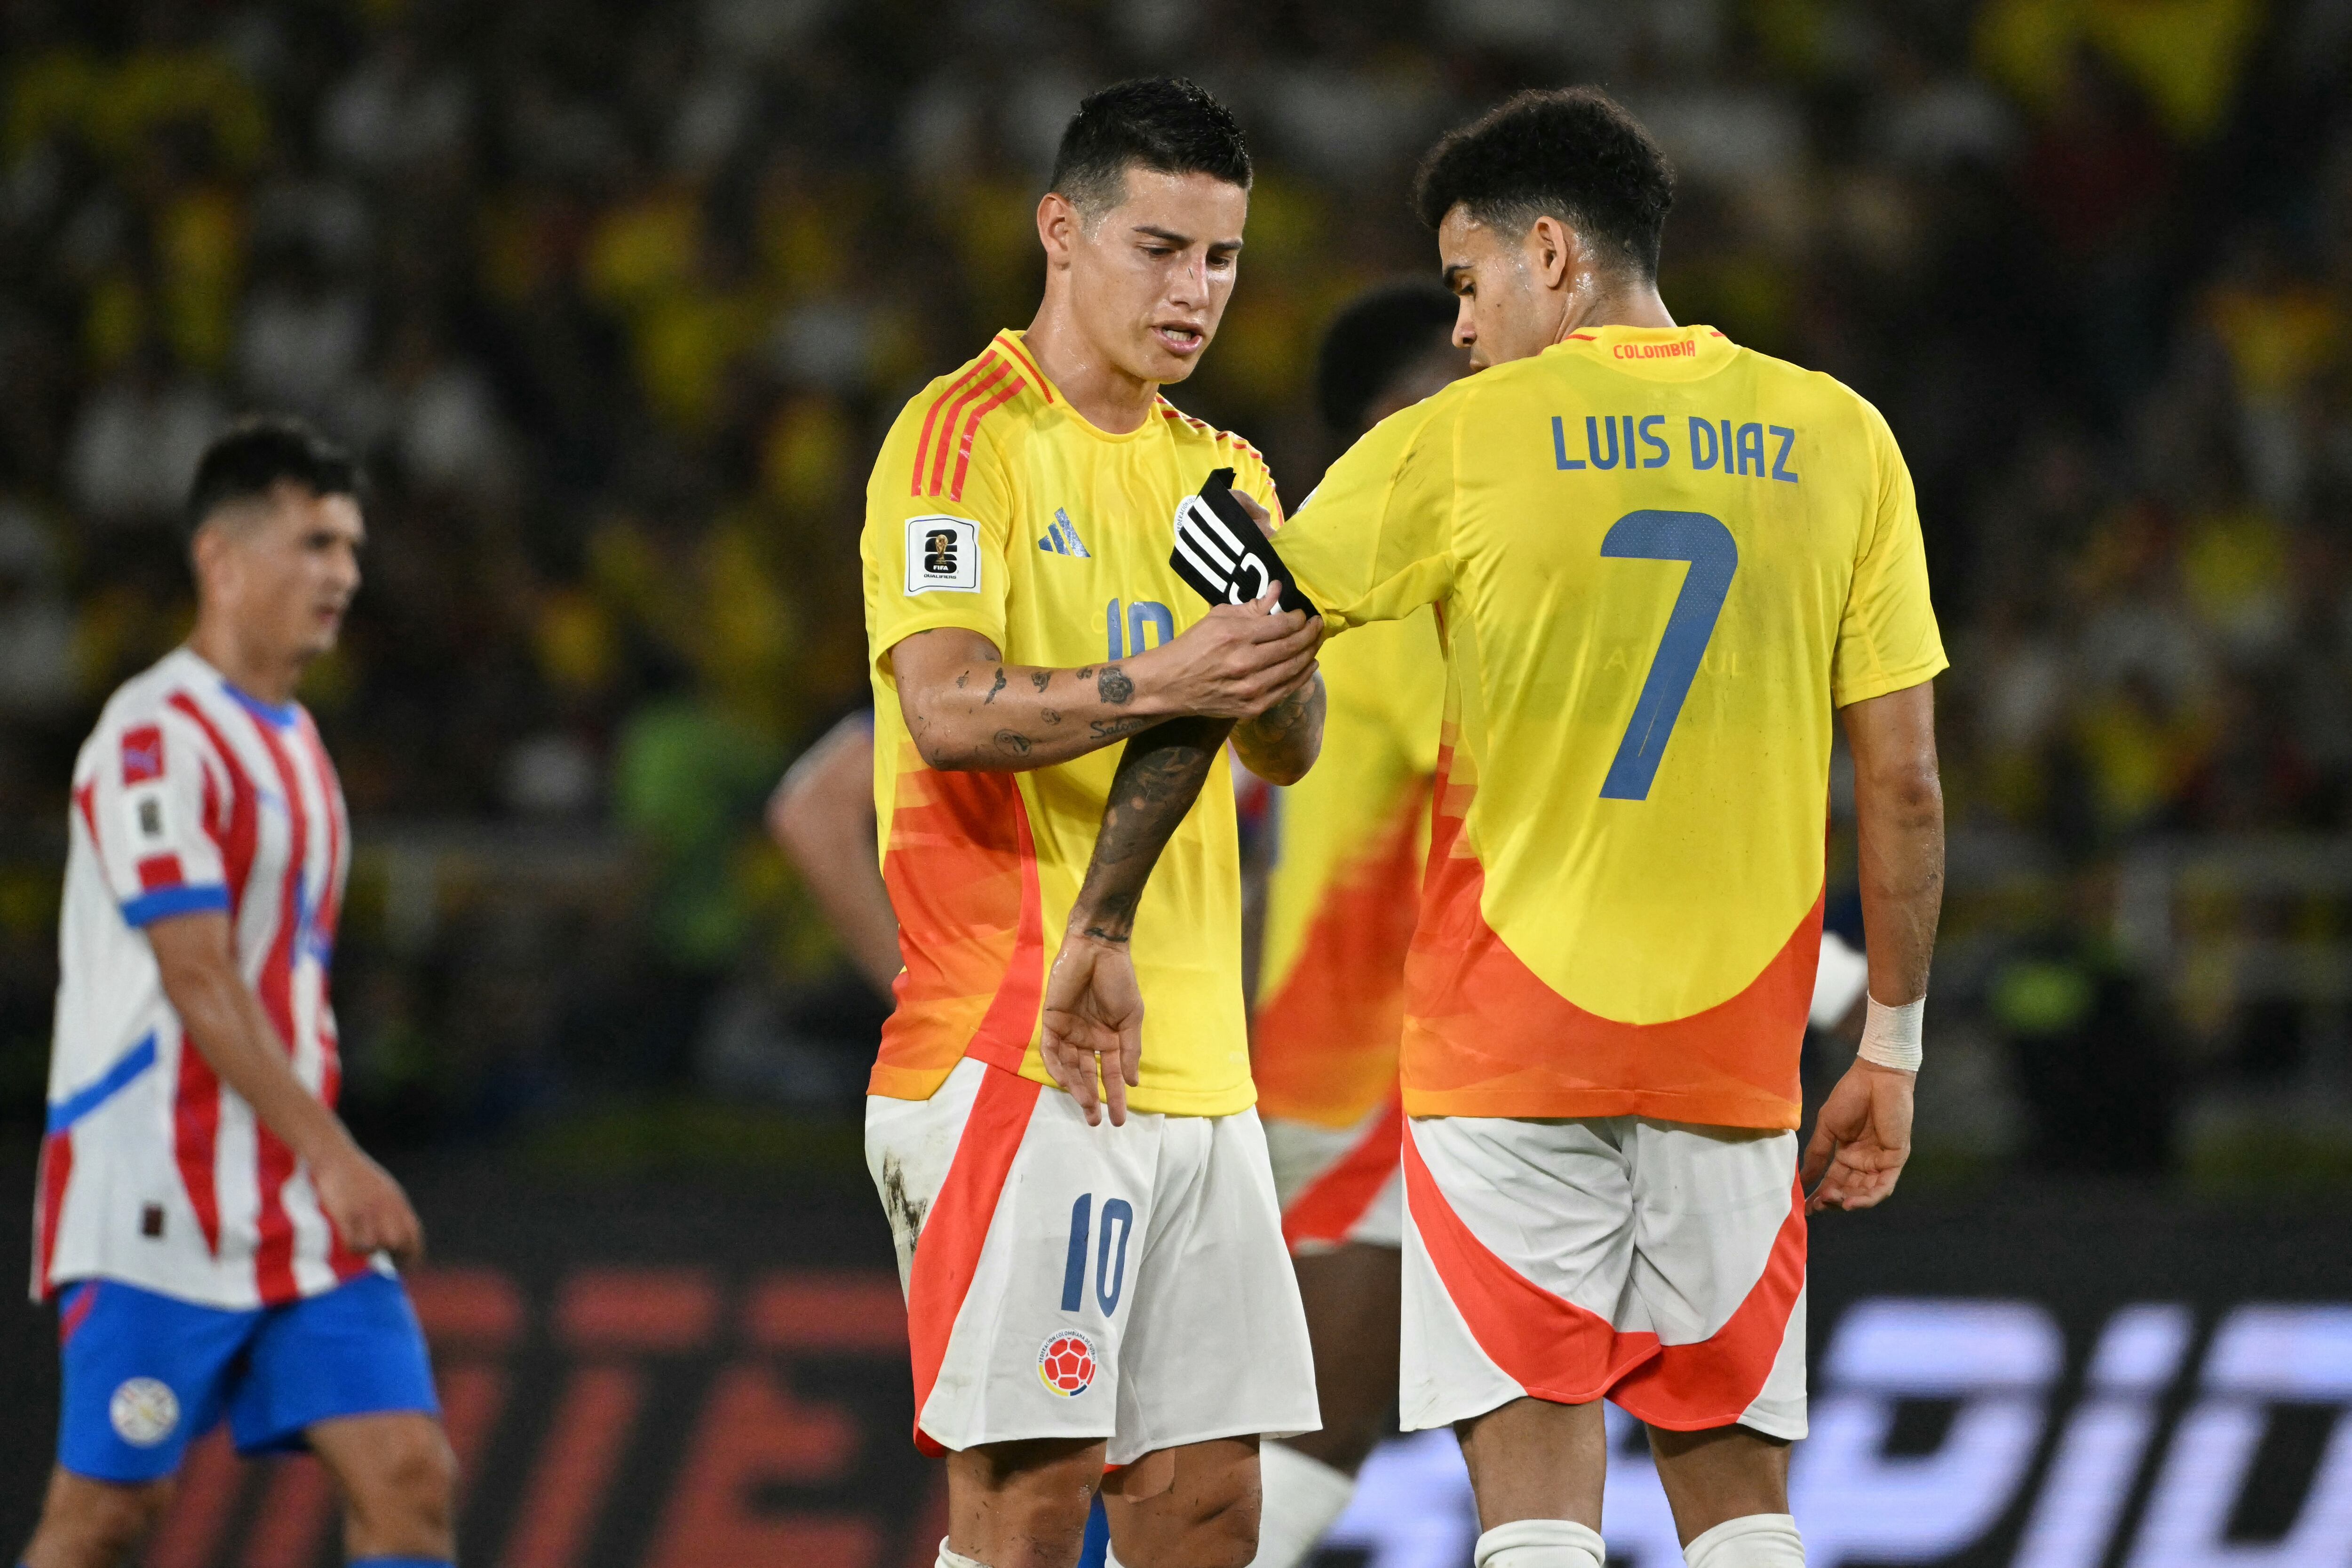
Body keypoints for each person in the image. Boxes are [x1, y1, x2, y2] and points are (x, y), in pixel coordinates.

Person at [1059, 88, 1948, 1568]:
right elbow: (1907, 784)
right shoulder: (1843, 438)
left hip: (1503, 1045)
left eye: (1468, 284)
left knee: (1532, 1481)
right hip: (1734, 1047)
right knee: (1739, 1490)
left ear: (1549, 254)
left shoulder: (1463, 442)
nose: (1461, 329)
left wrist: (1099, 913)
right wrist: (1892, 1040)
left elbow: (1241, 650)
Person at [858, 79, 1326, 1568]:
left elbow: (1293, 745)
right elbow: (948, 707)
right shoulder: (963, 438)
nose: (1195, 294)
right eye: (1160, 248)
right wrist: (1175, 672)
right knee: (1029, 1498)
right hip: (1019, 1035)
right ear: (1060, 229)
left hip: (1200, 1061)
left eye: (1222, 260)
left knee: (1207, 1514)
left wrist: (1275, 625)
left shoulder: (1223, 470)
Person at [24, 418, 454, 1568]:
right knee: (108, 1516)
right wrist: (336, 1152)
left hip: (295, 1205)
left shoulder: (299, 743)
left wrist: (314, 1159)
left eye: (352, 548)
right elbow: (196, 970)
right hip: (157, 1193)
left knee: (409, 1476)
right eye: (315, 543)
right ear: (220, 557)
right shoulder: (153, 736)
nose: (344, 576)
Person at [1240, 282, 1462, 1568]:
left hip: (1354, 1067)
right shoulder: (1382, 599)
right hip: (1361, 1082)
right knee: (1307, 1441)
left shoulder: (1328, 594)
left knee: (1277, 1448)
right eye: (1430, 410)